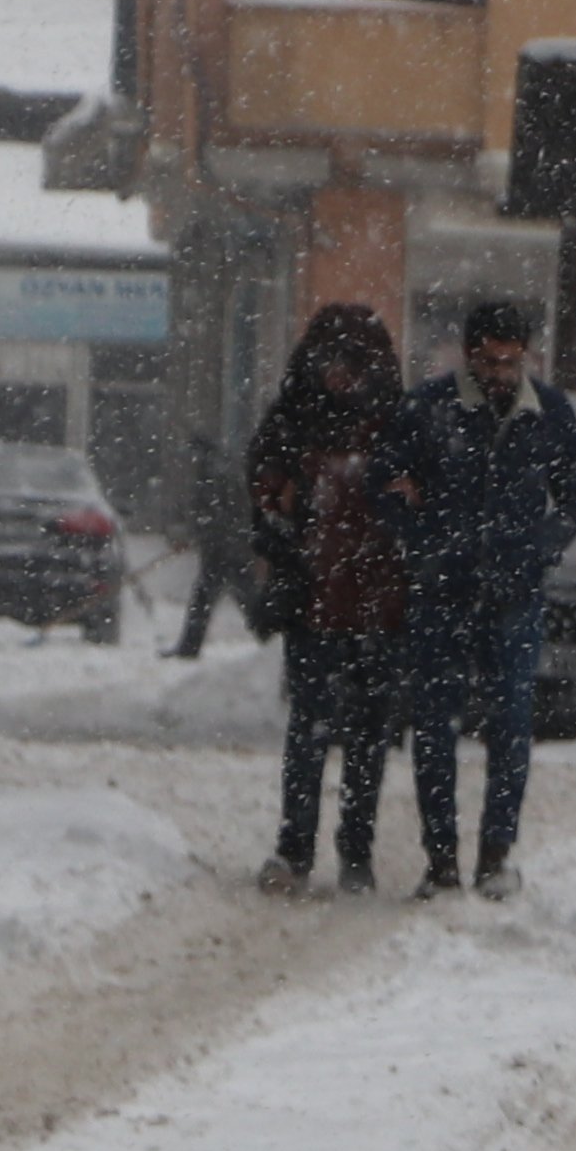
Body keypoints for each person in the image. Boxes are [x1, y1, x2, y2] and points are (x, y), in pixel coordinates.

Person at [390, 290, 576, 902]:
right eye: (489, 361)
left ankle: (495, 855)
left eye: (511, 362)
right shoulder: (429, 409)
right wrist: (424, 542)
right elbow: (387, 484)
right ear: (469, 355)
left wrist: (538, 548)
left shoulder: (550, 412)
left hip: (513, 594)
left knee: (511, 724)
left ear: (527, 357)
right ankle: (441, 860)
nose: (501, 374)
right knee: (434, 727)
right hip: (443, 592)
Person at [242, 304, 414, 895]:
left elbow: (419, 501)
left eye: (351, 365)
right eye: (330, 363)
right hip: (316, 601)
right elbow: (263, 494)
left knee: (367, 736)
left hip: (378, 604)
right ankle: (295, 850)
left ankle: (356, 854)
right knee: (310, 730)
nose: (340, 376)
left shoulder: (396, 424)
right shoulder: (294, 420)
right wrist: (285, 529)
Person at [165, 422, 235, 659]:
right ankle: (189, 647)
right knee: (210, 596)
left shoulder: (213, 472)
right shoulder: (215, 468)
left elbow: (214, 512)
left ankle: (189, 647)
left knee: (207, 596)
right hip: (223, 546)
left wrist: (201, 533)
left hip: (223, 547)